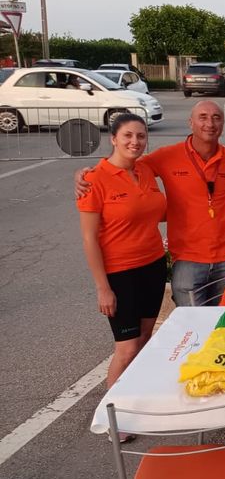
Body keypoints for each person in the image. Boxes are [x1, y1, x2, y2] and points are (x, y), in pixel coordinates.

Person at [77, 100, 225, 306]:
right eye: (203, 117)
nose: (210, 123)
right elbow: (123, 162)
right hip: (187, 257)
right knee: (190, 321)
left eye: (216, 118)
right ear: (190, 122)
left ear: (223, 123)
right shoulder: (166, 156)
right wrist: (87, 173)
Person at [77, 114, 167, 406]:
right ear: (113, 139)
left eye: (141, 136)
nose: (135, 142)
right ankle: (112, 411)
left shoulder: (145, 170)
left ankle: (135, 399)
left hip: (153, 265)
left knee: (144, 338)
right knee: (126, 348)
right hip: (120, 273)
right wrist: (103, 288)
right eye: (128, 135)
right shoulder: (94, 179)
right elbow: (89, 239)